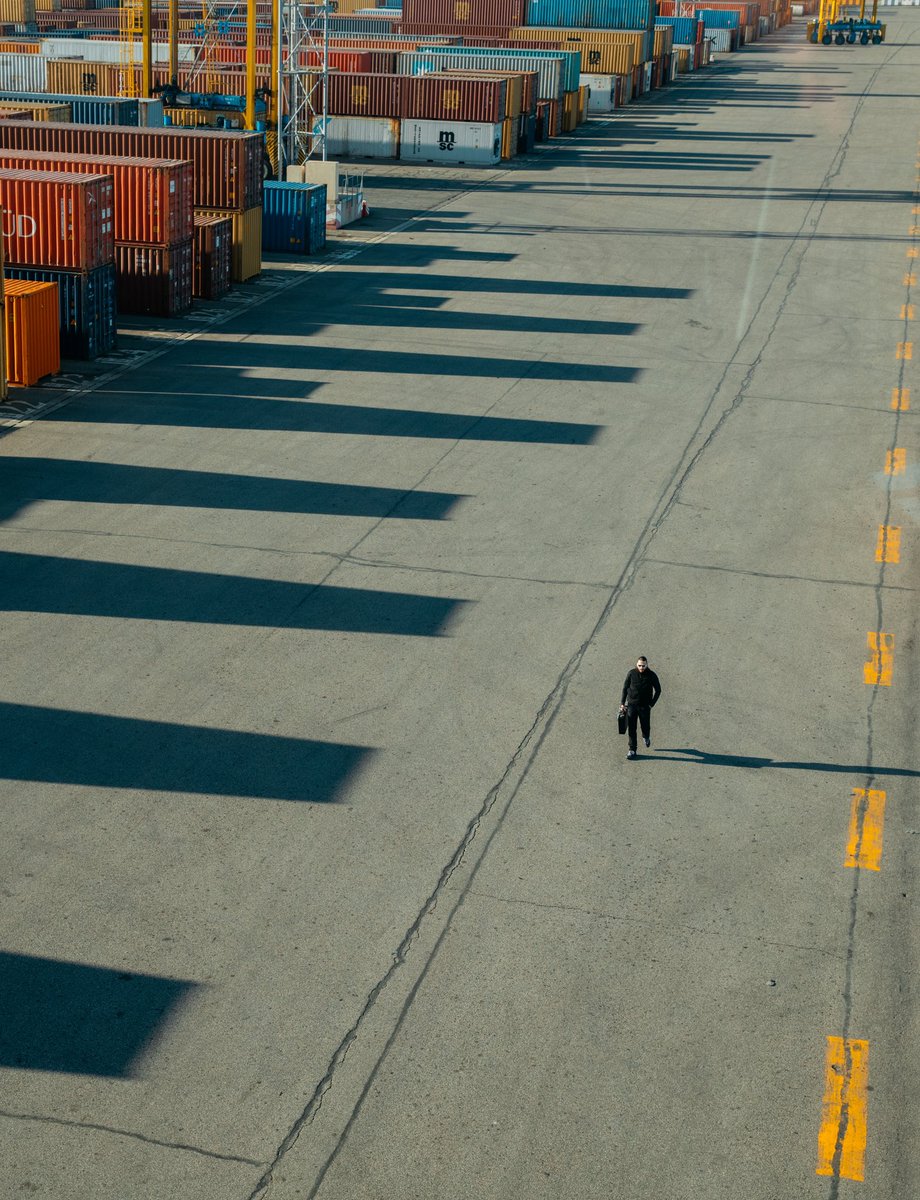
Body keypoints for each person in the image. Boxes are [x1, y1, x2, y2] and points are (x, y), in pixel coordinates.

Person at [619, 656, 661, 759]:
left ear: (647, 665)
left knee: (645, 726)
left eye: (643, 666)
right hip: (632, 705)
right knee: (632, 728)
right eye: (639, 665)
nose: (641, 667)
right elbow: (625, 688)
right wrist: (622, 703)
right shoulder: (631, 673)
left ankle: (646, 736)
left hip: (645, 706)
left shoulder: (652, 675)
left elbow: (658, 690)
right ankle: (632, 749)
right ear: (636, 664)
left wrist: (651, 704)